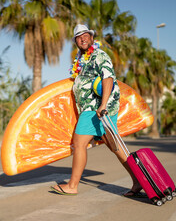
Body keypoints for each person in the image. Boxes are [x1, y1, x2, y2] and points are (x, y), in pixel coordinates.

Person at [51, 24, 143, 197]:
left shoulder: (99, 55)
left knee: (79, 143)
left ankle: (72, 185)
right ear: (76, 41)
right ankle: (138, 181)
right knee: (115, 146)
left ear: (92, 38)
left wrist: (103, 104)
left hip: (95, 109)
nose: (82, 38)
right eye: (79, 37)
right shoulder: (81, 60)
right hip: (95, 109)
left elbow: (108, 78)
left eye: (85, 35)